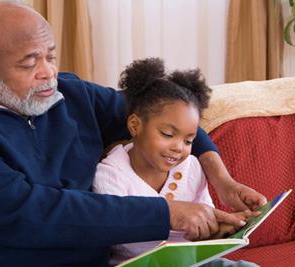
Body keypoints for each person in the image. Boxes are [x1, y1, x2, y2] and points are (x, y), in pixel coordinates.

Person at [0, 1, 266, 266]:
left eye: (51, 55)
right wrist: (166, 214)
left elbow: (166, 111)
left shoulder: (72, 93)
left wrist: (221, 180)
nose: (48, 72)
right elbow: (28, 213)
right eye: (29, 62)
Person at [93, 58, 259, 266]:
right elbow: (126, 242)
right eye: (168, 134)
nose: (179, 147)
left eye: (189, 140)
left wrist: (221, 229)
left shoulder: (191, 166)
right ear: (135, 125)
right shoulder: (110, 175)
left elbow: (203, 220)